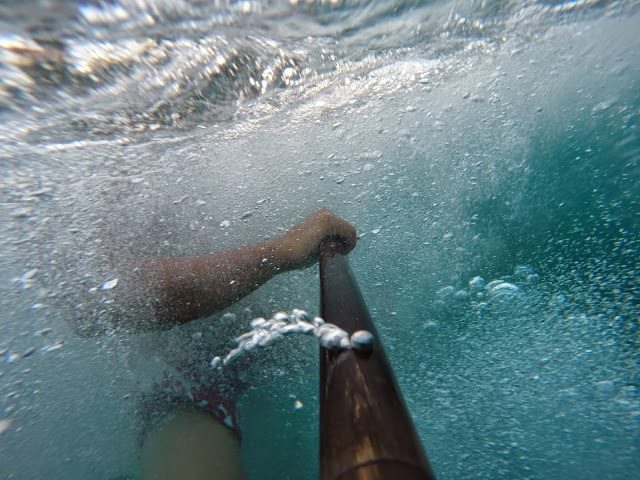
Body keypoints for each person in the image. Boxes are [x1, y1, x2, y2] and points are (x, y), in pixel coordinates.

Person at [84, 208, 357, 479]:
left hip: (274, 331)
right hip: (181, 362)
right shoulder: (81, 195)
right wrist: (281, 252)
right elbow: (91, 297)